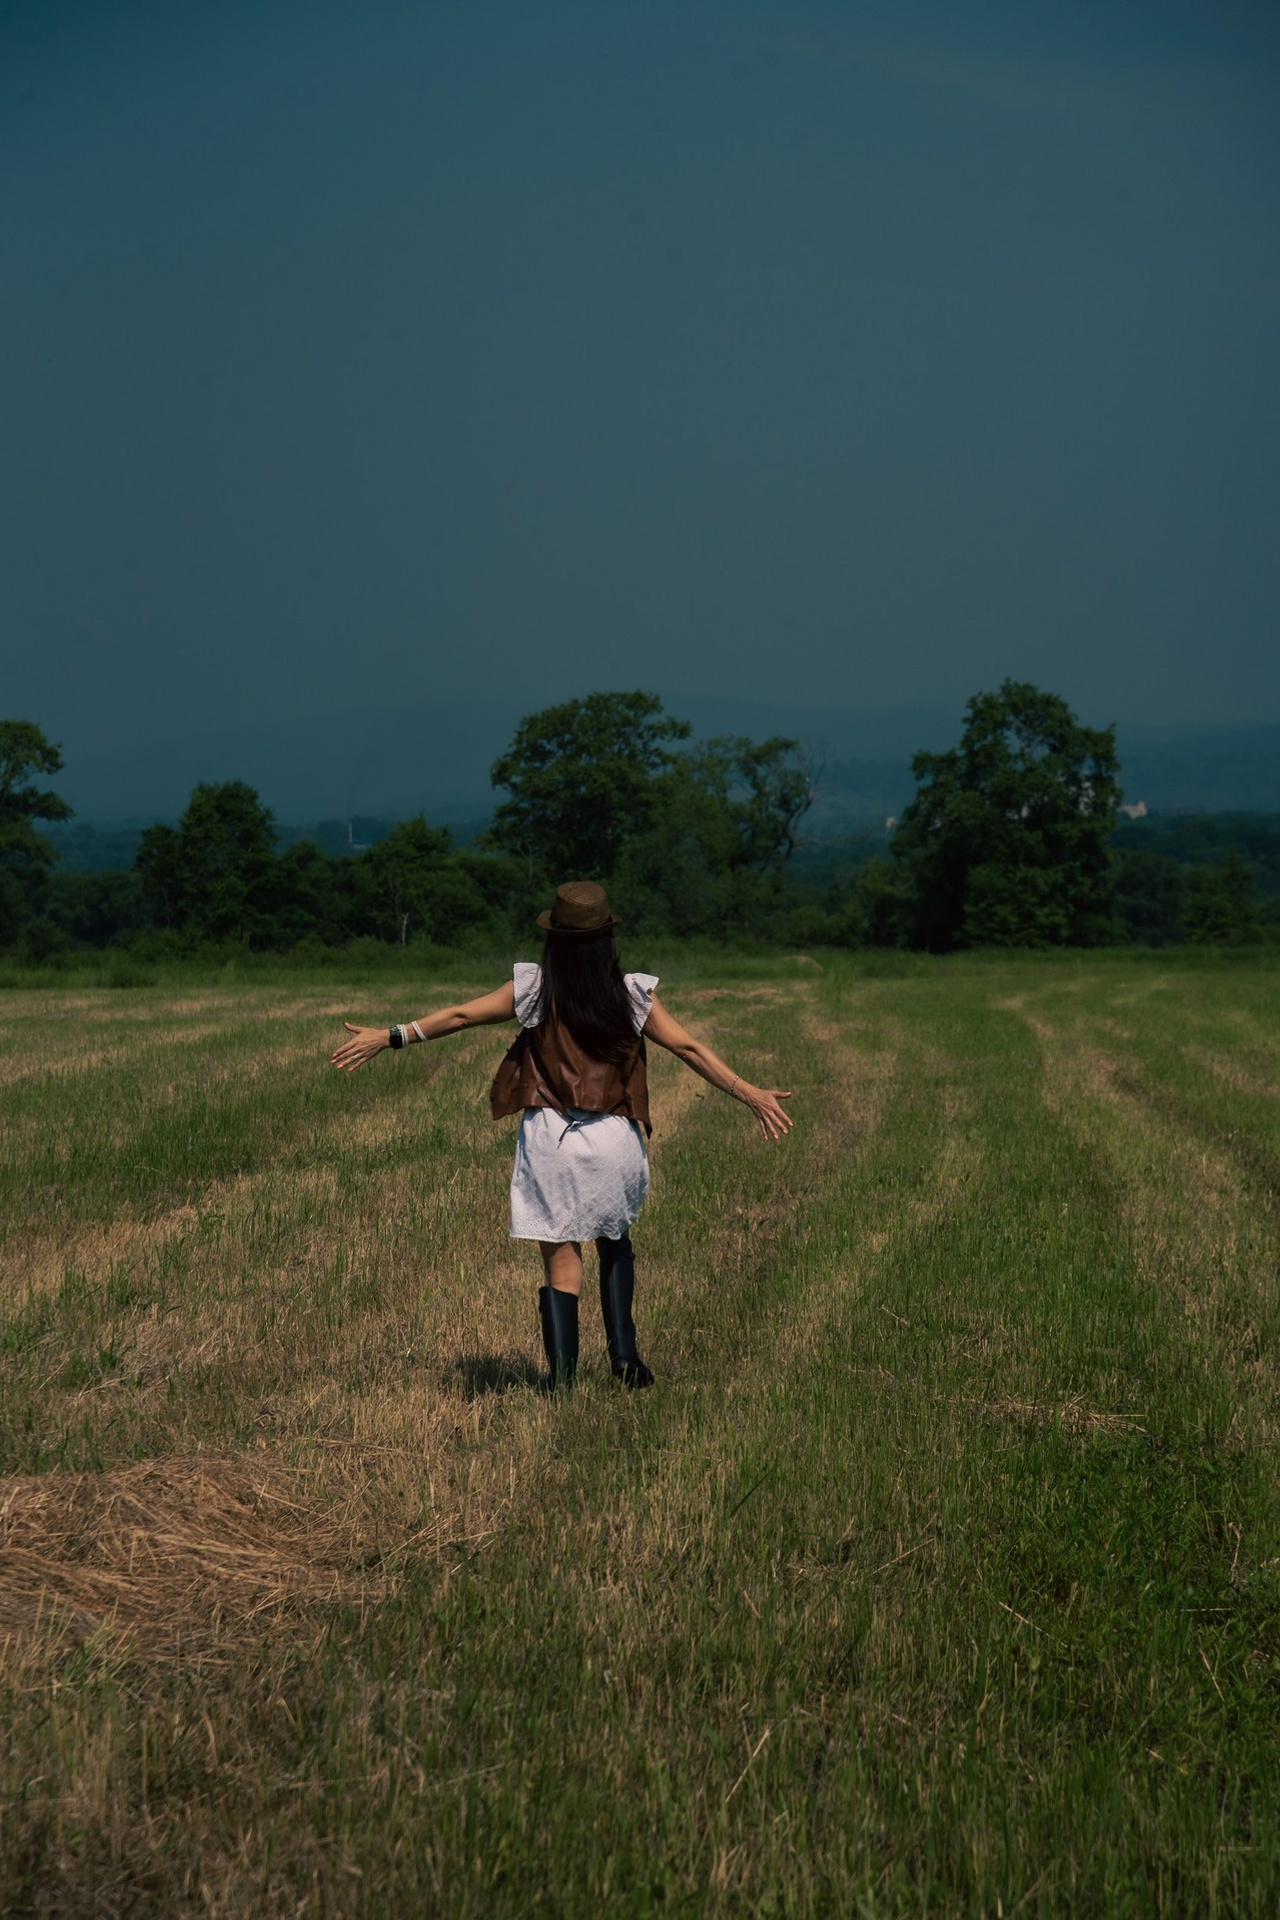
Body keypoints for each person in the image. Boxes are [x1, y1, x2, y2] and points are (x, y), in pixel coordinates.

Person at [330, 881, 793, 1389]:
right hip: (614, 1137)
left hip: (553, 1138)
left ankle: (563, 1383)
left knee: (562, 1259)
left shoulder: (534, 989)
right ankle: (625, 1358)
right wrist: (750, 1094)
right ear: (606, 938)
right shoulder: (632, 994)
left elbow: (461, 1016)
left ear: (555, 937)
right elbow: (690, 1049)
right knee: (615, 1239)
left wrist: (390, 1036)